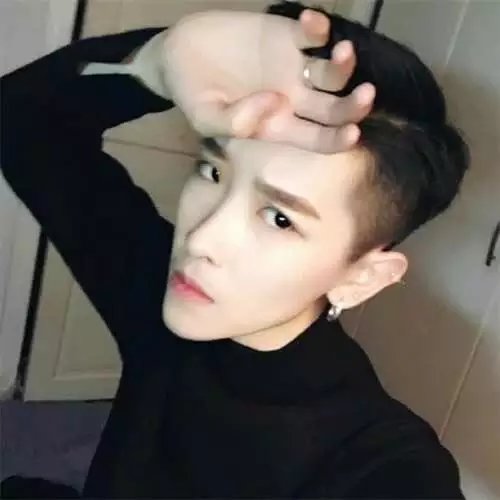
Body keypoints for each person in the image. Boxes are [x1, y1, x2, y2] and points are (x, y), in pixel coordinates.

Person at [0, 1, 468, 498]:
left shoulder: (382, 464)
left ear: (361, 279)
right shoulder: (177, 297)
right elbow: (20, 123)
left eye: (280, 218)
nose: (201, 239)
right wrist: (152, 65)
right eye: (213, 172)